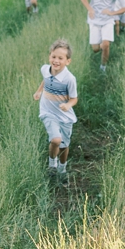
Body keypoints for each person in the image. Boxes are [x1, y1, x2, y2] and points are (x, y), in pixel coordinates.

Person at [35, 38, 78, 175]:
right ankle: (51, 164)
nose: (56, 61)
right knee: (56, 140)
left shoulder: (69, 79)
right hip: (48, 112)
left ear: (67, 61)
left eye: (60, 58)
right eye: (53, 57)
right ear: (49, 57)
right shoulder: (45, 69)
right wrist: (39, 91)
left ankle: (62, 168)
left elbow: (74, 99)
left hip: (64, 116)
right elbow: (46, 79)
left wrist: (68, 105)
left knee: (64, 146)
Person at [80, 0, 123, 69]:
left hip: (107, 20)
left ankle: (103, 67)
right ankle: (100, 46)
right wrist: (90, 9)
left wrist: (112, 13)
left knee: (106, 44)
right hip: (94, 19)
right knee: (95, 49)